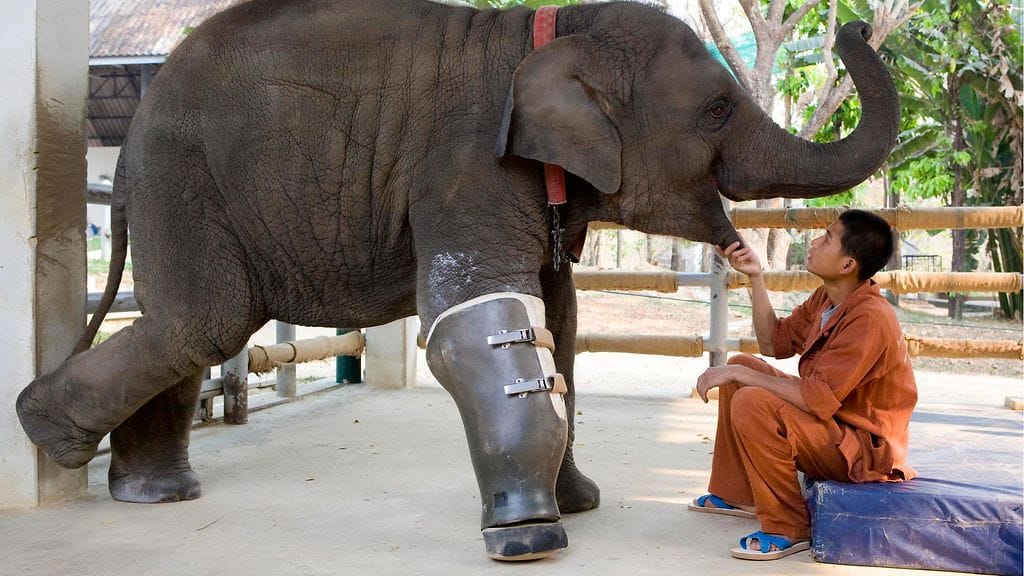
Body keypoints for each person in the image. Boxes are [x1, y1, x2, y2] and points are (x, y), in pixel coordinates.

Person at [689, 209, 918, 561]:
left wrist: (744, 378)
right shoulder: (827, 298)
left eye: (827, 237)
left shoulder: (869, 318)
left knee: (751, 398)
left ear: (847, 265)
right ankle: (738, 494)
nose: (814, 242)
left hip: (863, 450)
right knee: (742, 364)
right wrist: (755, 277)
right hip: (834, 426)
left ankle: (788, 526)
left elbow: (815, 399)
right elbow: (773, 343)